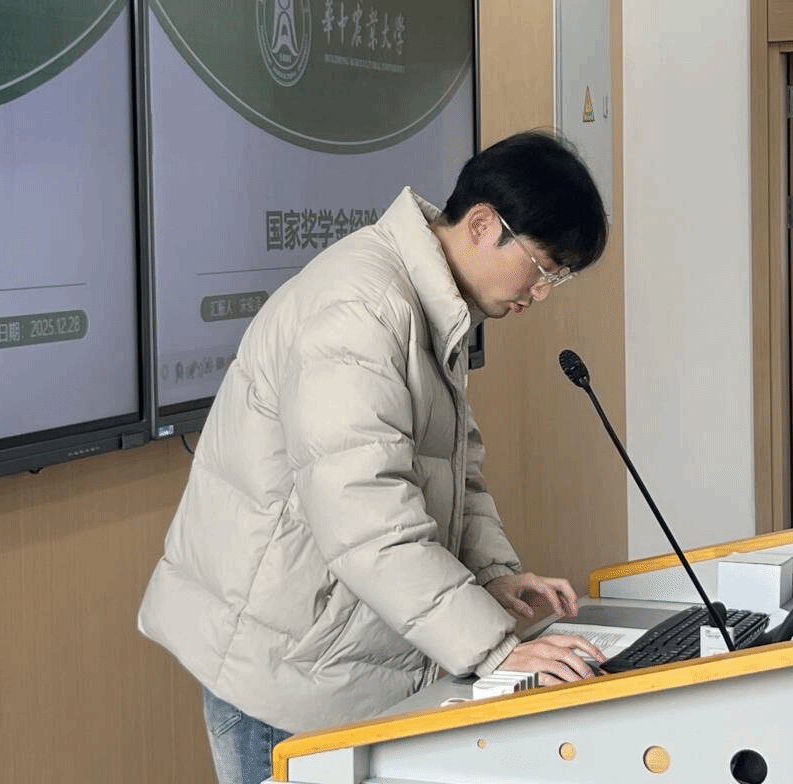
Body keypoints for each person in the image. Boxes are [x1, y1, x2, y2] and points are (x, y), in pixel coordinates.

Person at [138, 129, 610, 784]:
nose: (543, 292)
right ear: (482, 225)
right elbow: (366, 519)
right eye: (545, 267)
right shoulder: (361, 310)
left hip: (334, 658)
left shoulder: (431, 301)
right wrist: (494, 648)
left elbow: (454, 469)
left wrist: (492, 575)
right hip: (287, 678)